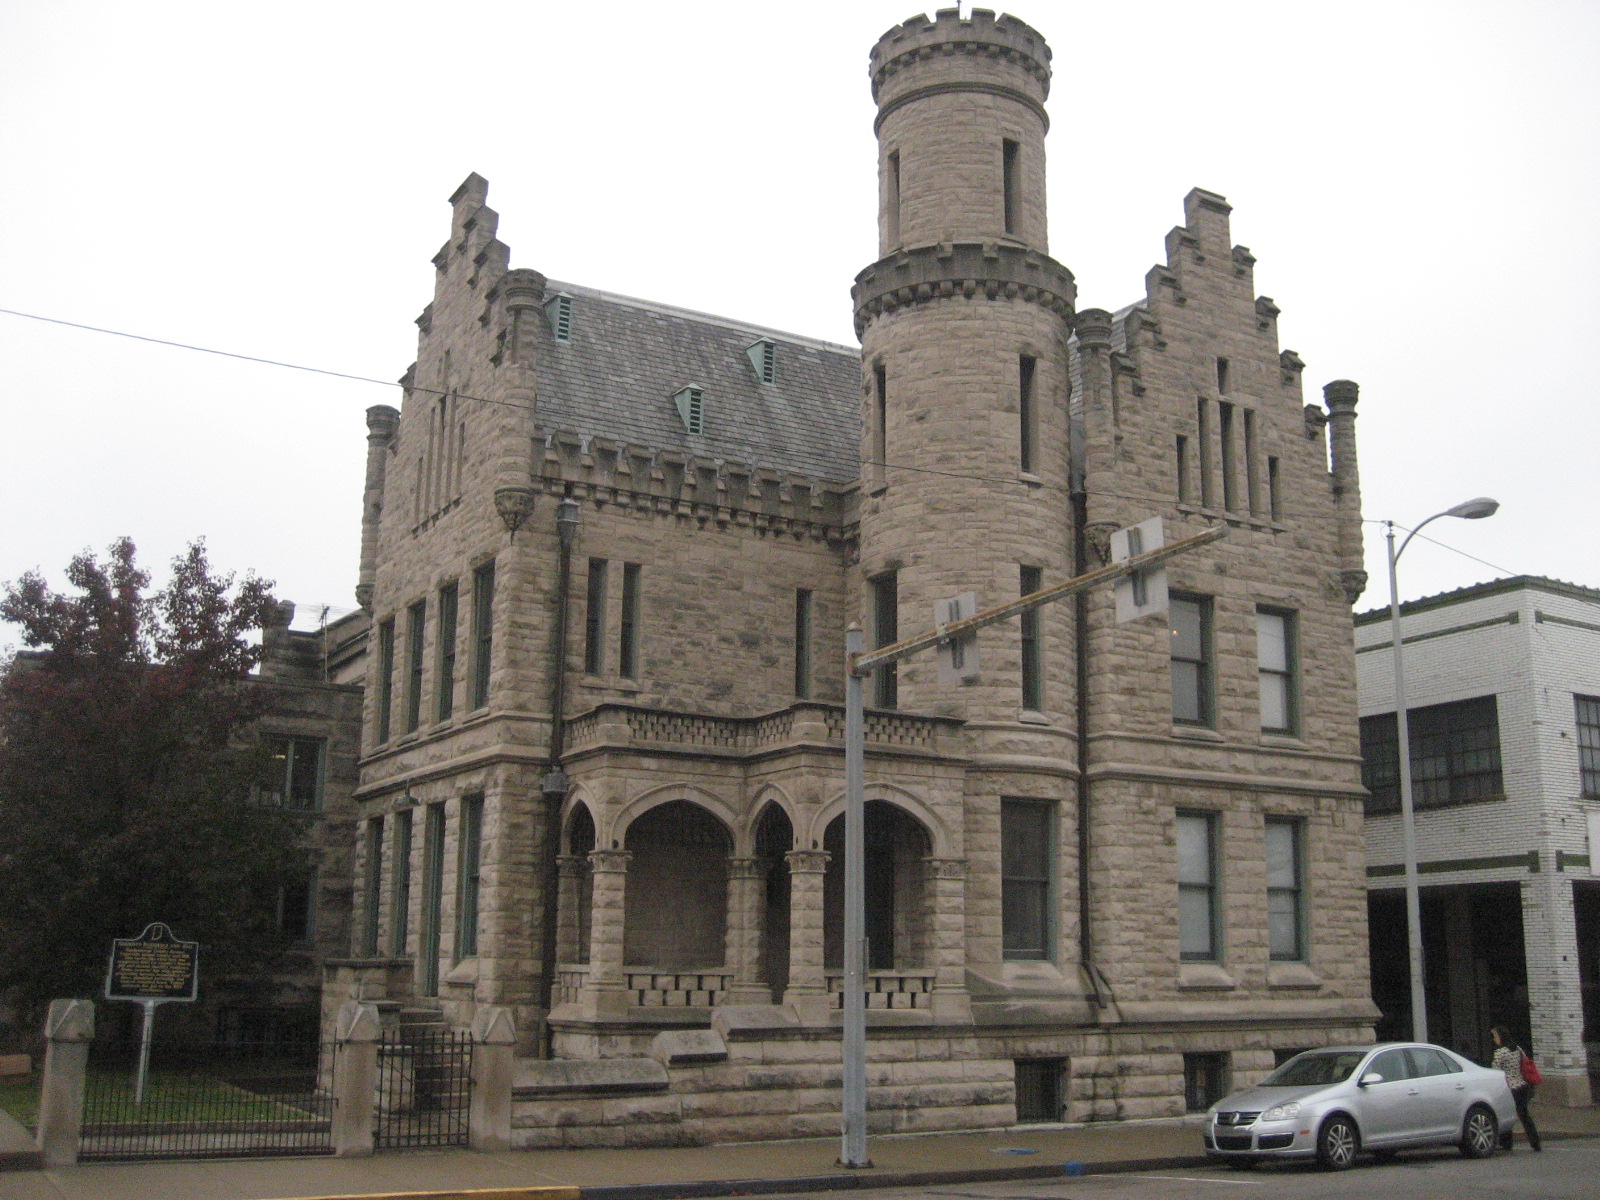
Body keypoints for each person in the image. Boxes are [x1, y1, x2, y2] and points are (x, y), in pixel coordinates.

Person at [1490, 1024, 1542, 1152]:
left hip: (1509, 1088)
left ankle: (1506, 1143)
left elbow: (1495, 1071)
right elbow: (1526, 1063)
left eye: (1494, 1036)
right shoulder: (1517, 1049)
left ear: (1500, 1037)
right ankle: (1535, 1142)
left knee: (1505, 1114)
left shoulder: (1499, 1053)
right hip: (1522, 1086)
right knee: (1525, 1115)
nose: (1493, 1039)